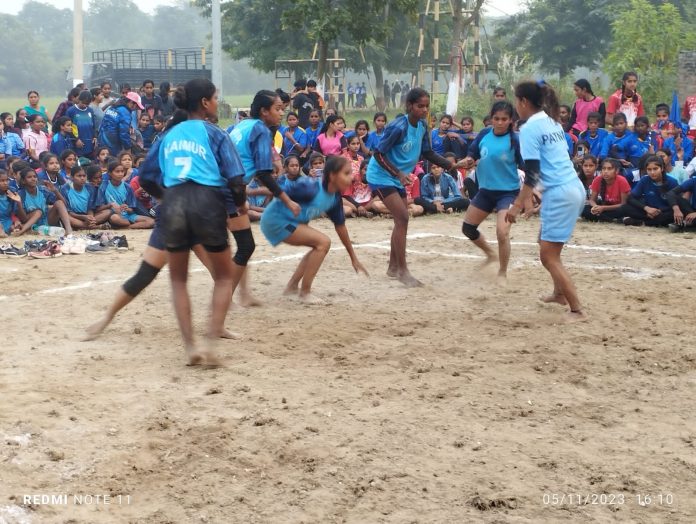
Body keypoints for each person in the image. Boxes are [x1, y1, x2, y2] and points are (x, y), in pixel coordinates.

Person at [139, 78, 246, 366]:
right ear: (204, 103)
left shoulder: (167, 135)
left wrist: (165, 196)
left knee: (178, 281)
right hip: (206, 200)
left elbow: (145, 177)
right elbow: (236, 179)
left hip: (174, 201)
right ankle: (210, 344)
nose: (217, 102)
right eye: (215, 98)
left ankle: (190, 348)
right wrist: (238, 205)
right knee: (223, 277)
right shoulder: (215, 133)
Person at [367, 87, 465, 287]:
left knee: (401, 220)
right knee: (403, 217)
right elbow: (378, 154)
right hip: (381, 175)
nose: (425, 110)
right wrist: (399, 173)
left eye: (427, 106)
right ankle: (402, 271)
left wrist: (451, 165)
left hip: (397, 177)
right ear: (410, 106)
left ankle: (393, 267)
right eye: (421, 106)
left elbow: (428, 153)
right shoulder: (398, 127)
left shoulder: (422, 126)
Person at [506, 80, 587, 322]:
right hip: (572, 187)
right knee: (545, 243)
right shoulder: (552, 121)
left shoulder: (530, 128)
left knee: (549, 256)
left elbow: (532, 173)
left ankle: (577, 310)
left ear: (523, 102)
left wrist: (517, 205)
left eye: (516, 100)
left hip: (560, 192)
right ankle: (559, 294)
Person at [261, 155, 368, 303]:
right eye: (346, 173)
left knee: (318, 245)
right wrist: (247, 192)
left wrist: (353, 258)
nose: (352, 177)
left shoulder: (335, 197)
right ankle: (305, 293)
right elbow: (277, 190)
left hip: (290, 222)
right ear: (332, 176)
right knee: (323, 242)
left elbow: (340, 227)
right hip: (276, 221)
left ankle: (292, 286)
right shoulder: (310, 187)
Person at [459, 101, 524, 279]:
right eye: (496, 118)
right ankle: (490, 254)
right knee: (468, 229)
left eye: (504, 119)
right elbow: (473, 154)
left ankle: (502, 273)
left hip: (508, 193)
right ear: (491, 119)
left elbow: (528, 168)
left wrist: (528, 196)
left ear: (511, 120)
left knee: (502, 233)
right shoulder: (484, 134)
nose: (500, 122)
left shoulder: (515, 140)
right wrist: (468, 160)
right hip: (486, 191)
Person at [620, 155, 678, 227]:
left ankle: (642, 222)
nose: (652, 172)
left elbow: (677, 202)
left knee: (671, 215)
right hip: (648, 210)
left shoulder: (672, 182)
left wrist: (658, 211)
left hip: (663, 212)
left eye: (655, 169)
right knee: (624, 208)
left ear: (662, 168)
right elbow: (631, 198)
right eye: (649, 169)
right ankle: (650, 222)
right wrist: (646, 208)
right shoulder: (645, 180)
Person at [16, 166, 74, 237]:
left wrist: (55, 191)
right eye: (29, 177)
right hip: (30, 224)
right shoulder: (21, 194)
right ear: (23, 181)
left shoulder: (43, 190)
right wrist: (18, 203)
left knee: (59, 203)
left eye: (35, 177)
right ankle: (22, 231)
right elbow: (23, 219)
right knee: (38, 212)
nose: (33, 179)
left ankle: (69, 230)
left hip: (46, 221)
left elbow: (64, 205)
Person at [97, 160, 154, 229]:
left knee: (151, 221)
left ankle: (126, 227)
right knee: (114, 218)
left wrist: (127, 208)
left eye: (122, 171)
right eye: (117, 171)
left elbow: (131, 209)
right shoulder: (104, 186)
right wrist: (110, 205)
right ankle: (129, 224)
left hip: (128, 216)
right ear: (110, 173)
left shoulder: (127, 187)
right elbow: (99, 208)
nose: (120, 174)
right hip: (115, 215)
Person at [60, 164, 109, 230]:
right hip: (74, 216)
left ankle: (85, 225)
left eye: (84, 176)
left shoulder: (90, 188)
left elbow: (90, 208)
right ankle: (92, 226)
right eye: (79, 176)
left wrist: (90, 218)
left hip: (87, 216)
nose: (82, 178)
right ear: (72, 177)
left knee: (108, 212)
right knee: (66, 217)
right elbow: (69, 211)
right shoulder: (65, 189)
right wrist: (83, 217)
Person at [66, 90, 97, 159]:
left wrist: (95, 137)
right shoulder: (71, 111)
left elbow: (93, 126)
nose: (85, 105)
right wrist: (76, 140)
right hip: (77, 145)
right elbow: (68, 128)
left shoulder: (90, 110)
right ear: (79, 100)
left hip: (89, 145)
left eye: (87, 104)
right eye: (83, 103)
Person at [0, 170, 25, 237]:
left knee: (17, 226)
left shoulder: (12, 191)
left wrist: (19, 202)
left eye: (7, 180)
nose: (5, 183)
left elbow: (13, 213)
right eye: (2, 181)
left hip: (7, 221)